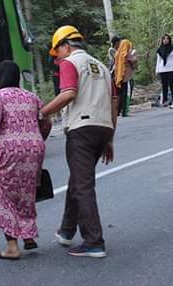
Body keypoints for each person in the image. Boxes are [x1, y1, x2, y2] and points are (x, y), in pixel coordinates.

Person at [41, 25, 118, 258]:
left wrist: (41, 113)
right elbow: (114, 102)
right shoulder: (102, 67)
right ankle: (66, 230)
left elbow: (68, 93)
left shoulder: (70, 63)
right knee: (78, 179)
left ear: (66, 46)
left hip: (81, 129)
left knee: (83, 185)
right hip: (103, 127)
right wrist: (110, 137)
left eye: (58, 52)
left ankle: (94, 241)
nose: (58, 59)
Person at [0, 61, 47, 261]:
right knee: (26, 192)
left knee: (6, 196)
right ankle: (28, 235)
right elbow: (44, 121)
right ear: (18, 78)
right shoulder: (32, 97)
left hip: (8, 151)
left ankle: (12, 247)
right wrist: (36, 139)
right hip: (34, 149)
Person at [113, 38, 137, 117]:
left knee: (120, 93)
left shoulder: (117, 54)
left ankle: (118, 111)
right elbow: (134, 62)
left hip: (120, 76)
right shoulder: (128, 53)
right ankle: (125, 111)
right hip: (128, 76)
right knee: (127, 93)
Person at [155, 33, 173, 107]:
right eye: (164, 39)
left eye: (167, 39)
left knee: (172, 84)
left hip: (171, 68)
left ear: (169, 40)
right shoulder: (160, 50)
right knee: (164, 85)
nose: (166, 40)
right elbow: (158, 60)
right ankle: (165, 100)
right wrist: (157, 70)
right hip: (162, 69)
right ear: (162, 40)